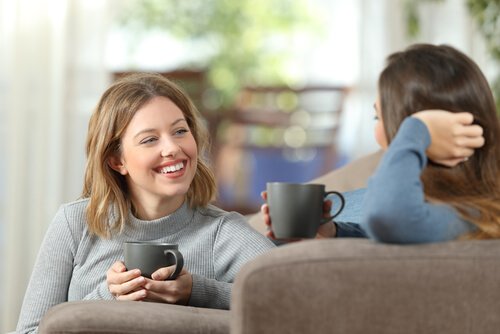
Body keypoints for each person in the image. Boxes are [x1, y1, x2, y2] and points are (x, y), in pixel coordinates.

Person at [16, 73, 276, 333]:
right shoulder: (74, 224)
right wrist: (108, 297)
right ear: (117, 161)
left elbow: (298, 294)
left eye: (180, 131)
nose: (172, 147)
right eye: (150, 139)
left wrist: (197, 291)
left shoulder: (221, 233)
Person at [262, 43, 498, 243]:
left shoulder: (475, 216)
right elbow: (401, 239)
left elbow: (388, 218)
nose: (378, 133)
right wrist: (334, 232)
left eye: (381, 118)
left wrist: (417, 129)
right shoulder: (454, 211)